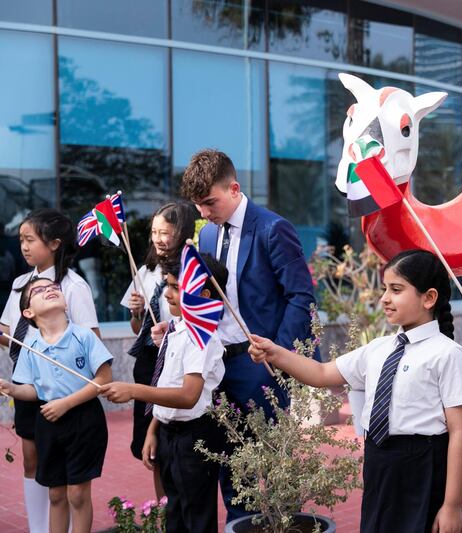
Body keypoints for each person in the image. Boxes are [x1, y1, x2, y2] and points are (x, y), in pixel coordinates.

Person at [249, 249, 462, 533]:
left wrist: (452, 505)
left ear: (429, 297)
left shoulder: (448, 355)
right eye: (384, 289)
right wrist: (275, 353)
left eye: (396, 289)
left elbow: (460, 432)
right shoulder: (379, 348)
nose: (384, 298)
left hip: (423, 467)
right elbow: (321, 373)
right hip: (379, 461)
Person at [180, 148, 316, 520]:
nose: (205, 213)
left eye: (210, 202)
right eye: (199, 206)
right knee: (230, 464)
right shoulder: (206, 235)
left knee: (275, 466)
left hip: (262, 366)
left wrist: (280, 355)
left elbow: (301, 296)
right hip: (218, 366)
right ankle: (239, 524)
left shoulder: (273, 229)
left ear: (235, 188)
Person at [102, 254, 227, 532]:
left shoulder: (201, 336)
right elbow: (166, 382)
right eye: (167, 285)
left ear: (204, 294)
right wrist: (153, 430)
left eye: (176, 287)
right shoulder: (177, 328)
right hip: (171, 433)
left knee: (196, 518)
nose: (167, 294)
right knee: (175, 513)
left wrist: (134, 391)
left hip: (194, 437)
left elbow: (187, 396)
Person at [0, 208, 99, 533]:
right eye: (21, 240)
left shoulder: (71, 287)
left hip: (69, 395)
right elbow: (9, 332)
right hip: (29, 383)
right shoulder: (20, 284)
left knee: (68, 477)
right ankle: (40, 528)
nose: (24, 247)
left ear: (55, 243)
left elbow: (90, 344)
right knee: (33, 460)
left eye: (30, 240)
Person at [120, 202, 196, 497]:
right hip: (150, 362)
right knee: (153, 452)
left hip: (178, 360)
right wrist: (137, 313)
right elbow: (136, 330)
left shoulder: (191, 270)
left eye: (166, 232)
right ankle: (164, 511)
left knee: (173, 441)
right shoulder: (147, 270)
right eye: (154, 232)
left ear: (183, 231)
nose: (158, 239)